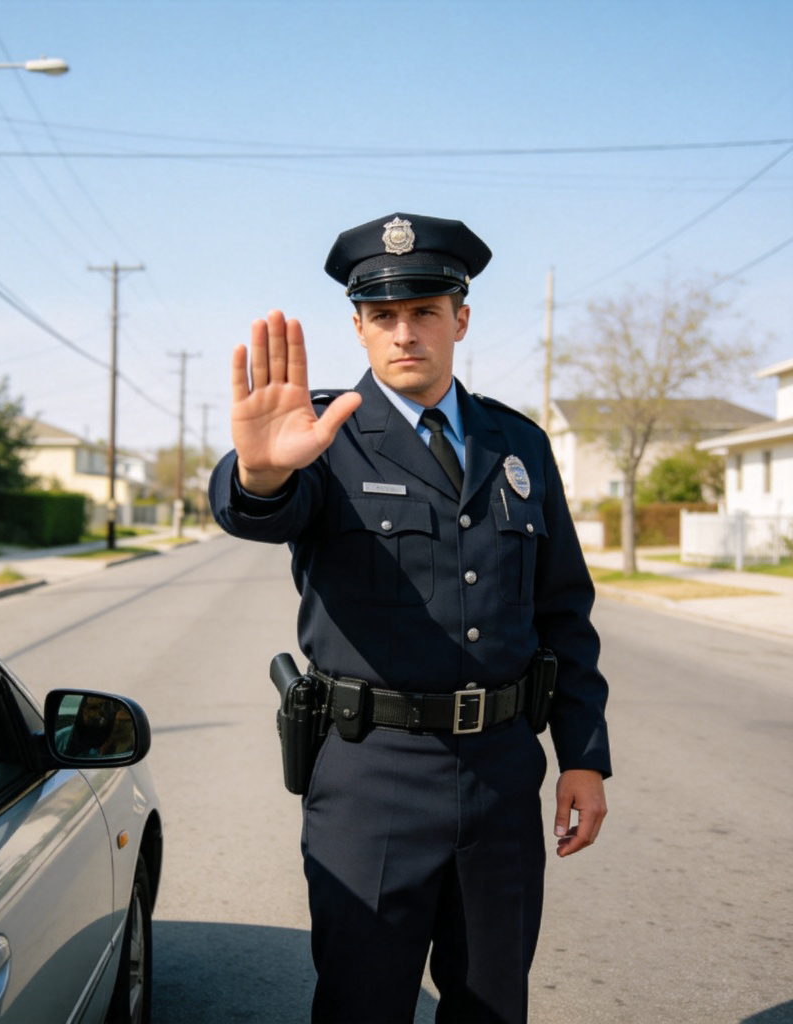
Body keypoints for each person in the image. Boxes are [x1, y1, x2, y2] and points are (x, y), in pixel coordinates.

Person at [208, 213, 610, 1024]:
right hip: (371, 775)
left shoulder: (519, 445)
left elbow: (564, 611)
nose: (405, 333)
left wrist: (583, 756)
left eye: (424, 311)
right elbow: (259, 508)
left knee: (492, 1003)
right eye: (383, 316)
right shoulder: (322, 435)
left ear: (460, 319)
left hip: (501, 769)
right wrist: (256, 471)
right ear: (357, 327)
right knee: (362, 1003)